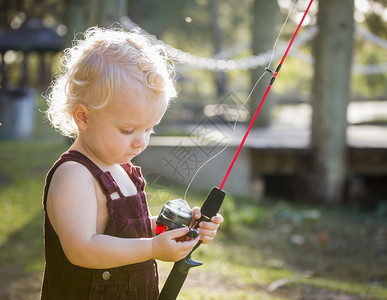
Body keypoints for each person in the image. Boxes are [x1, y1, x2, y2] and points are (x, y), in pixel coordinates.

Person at [40, 25, 223, 300]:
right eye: (128, 130)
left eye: (150, 128)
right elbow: (82, 249)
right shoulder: (74, 175)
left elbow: (127, 232)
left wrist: (176, 230)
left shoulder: (121, 169)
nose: (142, 142)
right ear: (83, 117)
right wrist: (152, 248)